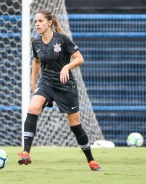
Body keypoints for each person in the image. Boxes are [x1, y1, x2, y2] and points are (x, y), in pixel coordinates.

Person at [18, 10, 101, 171]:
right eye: (35, 21)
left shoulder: (61, 39)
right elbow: (36, 62)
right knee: (33, 108)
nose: (37, 24)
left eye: (40, 21)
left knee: (75, 124)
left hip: (65, 85)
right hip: (46, 83)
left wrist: (67, 66)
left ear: (49, 23)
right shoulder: (36, 43)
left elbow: (79, 58)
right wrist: (33, 81)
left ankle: (91, 160)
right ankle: (25, 153)